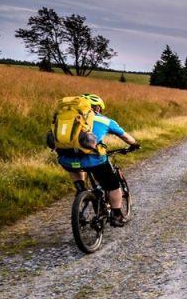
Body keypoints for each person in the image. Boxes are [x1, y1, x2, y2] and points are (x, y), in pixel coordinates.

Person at [57, 94, 140, 227]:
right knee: (113, 186)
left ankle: (81, 189)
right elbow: (125, 136)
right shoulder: (105, 121)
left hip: (66, 160)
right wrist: (135, 144)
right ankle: (117, 215)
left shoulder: (66, 119)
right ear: (97, 107)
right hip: (94, 161)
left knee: (77, 164)